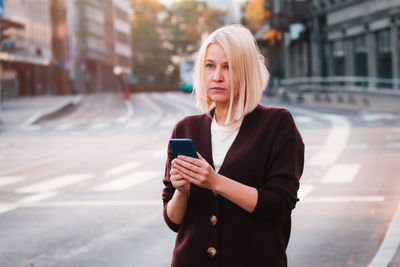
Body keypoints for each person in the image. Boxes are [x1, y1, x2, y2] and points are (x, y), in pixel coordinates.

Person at [162, 24, 304, 267]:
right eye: (210, 66)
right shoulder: (185, 129)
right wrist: (181, 191)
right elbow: (174, 221)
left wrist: (214, 181)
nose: (217, 76)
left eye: (228, 67)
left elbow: (279, 206)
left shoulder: (277, 124)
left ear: (247, 72)